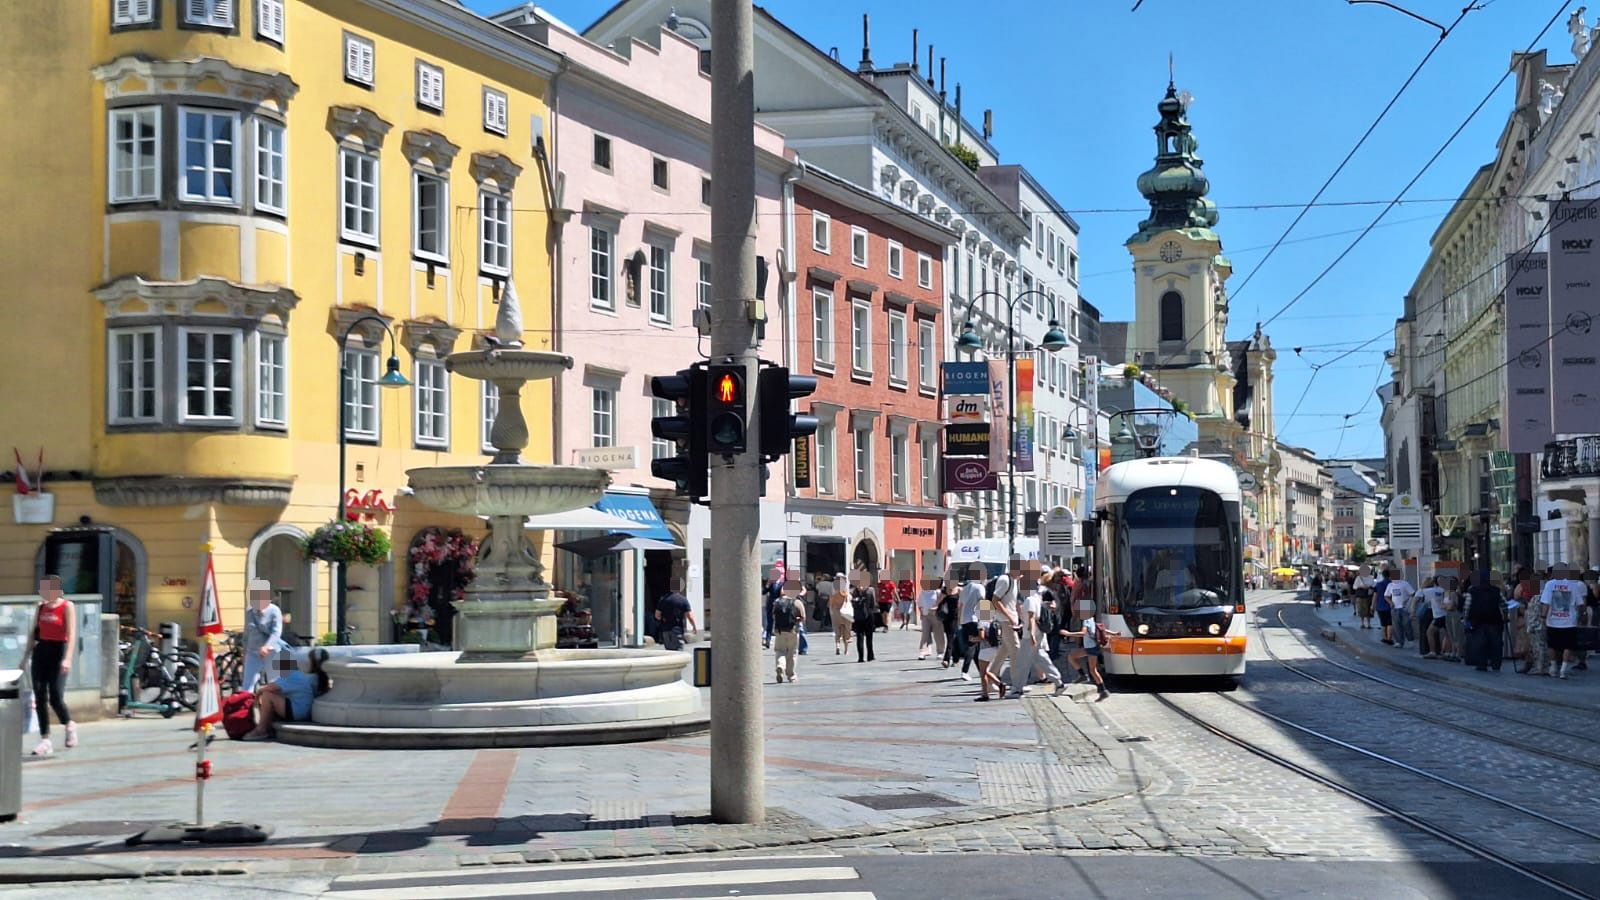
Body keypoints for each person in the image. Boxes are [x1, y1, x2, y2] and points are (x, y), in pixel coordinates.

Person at [23, 576, 77, 756]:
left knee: (55, 695)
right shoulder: (40, 607)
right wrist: (25, 658)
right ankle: (45, 739)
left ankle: (69, 724)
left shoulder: (67, 606)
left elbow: (71, 635)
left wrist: (67, 658)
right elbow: (33, 633)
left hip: (59, 650)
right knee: (39, 695)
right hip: (41, 650)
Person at [244, 649, 331, 741]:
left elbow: (270, 688)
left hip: (298, 712)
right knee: (274, 694)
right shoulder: (315, 677)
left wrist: (256, 695)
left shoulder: (293, 675)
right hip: (306, 711)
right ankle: (268, 726)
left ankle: (261, 729)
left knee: (267, 696)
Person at [1010, 565, 1068, 698]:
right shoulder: (1038, 599)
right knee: (1042, 660)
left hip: (1030, 635)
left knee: (1022, 663)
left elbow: (1031, 618)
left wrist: (1030, 634)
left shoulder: (1030, 600)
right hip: (1038, 634)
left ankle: (1017, 689)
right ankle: (1059, 683)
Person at [1542, 563, 1585, 679]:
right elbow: (1580, 604)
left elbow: (1546, 603)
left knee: (1551, 644)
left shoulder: (1549, 585)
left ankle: (1553, 666)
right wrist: (1581, 614)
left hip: (1552, 620)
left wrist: (1543, 617)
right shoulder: (1573, 585)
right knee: (1568, 645)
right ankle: (1563, 669)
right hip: (1569, 621)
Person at [987, 562, 1023, 698]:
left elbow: (1012, 602)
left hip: (1011, 620)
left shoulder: (1013, 581)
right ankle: (1016, 686)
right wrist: (1010, 617)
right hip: (1006, 620)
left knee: (1005, 651)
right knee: (1016, 650)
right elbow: (995, 600)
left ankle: (990, 679)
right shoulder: (1004, 580)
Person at [242, 579, 285, 692]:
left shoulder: (274, 611)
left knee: (275, 683)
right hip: (253, 652)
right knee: (248, 684)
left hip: (271, 652)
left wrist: (266, 646)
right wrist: (244, 649)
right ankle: (247, 707)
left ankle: (274, 706)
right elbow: (247, 632)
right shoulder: (250, 612)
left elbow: (276, 632)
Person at [1061, 617, 1115, 701]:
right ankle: (1085, 677)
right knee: (1072, 657)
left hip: (1091, 648)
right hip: (1091, 647)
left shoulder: (1086, 620)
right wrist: (1113, 633)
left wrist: (1068, 634)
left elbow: (1083, 633)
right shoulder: (1091, 619)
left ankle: (1102, 689)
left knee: (1092, 670)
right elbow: (1100, 629)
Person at [1464, 572, 1506, 672]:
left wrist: (1466, 619)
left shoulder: (1472, 591)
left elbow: (1467, 606)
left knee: (1480, 643)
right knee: (1496, 643)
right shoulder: (1496, 590)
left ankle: (1481, 664)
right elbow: (1504, 604)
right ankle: (1496, 663)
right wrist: (1505, 615)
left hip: (1477, 621)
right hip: (1494, 620)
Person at [771, 588, 805, 683]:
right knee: (792, 652)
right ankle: (791, 675)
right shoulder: (797, 602)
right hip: (792, 630)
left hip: (779, 631)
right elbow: (803, 617)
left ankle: (780, 666)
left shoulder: (777, 602)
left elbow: (773, 615)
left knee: (780, 650)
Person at [957, 570, 985, 681]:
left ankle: (981, 671)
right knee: (972, 645)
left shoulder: (964, 589)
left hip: (965, 619)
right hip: (974, 618)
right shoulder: (979, 588)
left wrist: (959, 620)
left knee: (975, 646)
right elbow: (982, 602)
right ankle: (965, 671)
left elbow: (961, 604)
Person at [654, 580, 696, 651]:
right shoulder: (683, 600)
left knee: (669, 654)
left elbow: (657, 615)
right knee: (679, 653)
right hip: (677, 630)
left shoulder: (663, 599)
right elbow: (689, 616)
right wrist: (694, 626)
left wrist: (663, 619)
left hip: (666, 630)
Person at [1385, 572, 1416, 650]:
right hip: (1394, 608)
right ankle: (1399, 641)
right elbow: (1386, 596)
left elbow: (1412, 593)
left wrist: (1408, 602)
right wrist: (1390, 602)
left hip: (1404, 608)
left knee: (1407, 624)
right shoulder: (1390, 585)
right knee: (1396, 625)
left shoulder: (1405, 584)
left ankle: (1410, 640)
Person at [916, 578, 944, 660]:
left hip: (936, 616)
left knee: (938, 634)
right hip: (926, 616)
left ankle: (940, 652)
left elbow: (941, 602)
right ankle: (923, 651)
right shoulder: (922, 593)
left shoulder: (937, 592)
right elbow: (919, 604)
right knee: (925, 634)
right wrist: (921, 613)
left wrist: (936, 607)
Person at [851, 582, 878, 662]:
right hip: (868, 617)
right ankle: (870, 656)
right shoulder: (870, 591)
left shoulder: (853, 593)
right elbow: (873, 605)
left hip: (858, 617)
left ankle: (860, 657)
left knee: (859, 637)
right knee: (869, 637)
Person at [829, 574, 853, 655]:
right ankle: (846, 650)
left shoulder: (833, 588)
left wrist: (831, 610)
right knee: (846, 631)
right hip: (845, 612)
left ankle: (838, 646)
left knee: (837, 631)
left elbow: (831, 602)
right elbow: (848, 598)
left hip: (836, 611)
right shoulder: (845, 588)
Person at [1372, 569, 1394, 644]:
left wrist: (1372, 605)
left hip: (1380, 606)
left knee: (1383, 623)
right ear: (1390, 575)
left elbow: (1375, 595)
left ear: (1383, 575)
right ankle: (1389, 638)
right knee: (1390, 623)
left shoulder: (1378, 584)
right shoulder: (1392, 584)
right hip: (1390, 606)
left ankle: (1384, 637)